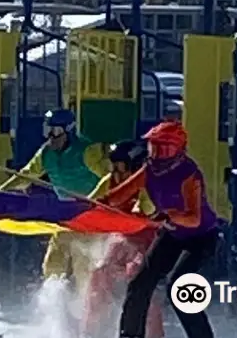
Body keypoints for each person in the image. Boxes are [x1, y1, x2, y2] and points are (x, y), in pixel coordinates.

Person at [99, 120, 219, 338]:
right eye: (154, 147)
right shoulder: (149, 169)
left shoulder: (189, 174)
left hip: (200, 238)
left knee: (179, 286)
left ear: (177, 150)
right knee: (140, 283)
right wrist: (99, 202)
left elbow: (194, 218)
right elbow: (121, 194)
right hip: (172, 233)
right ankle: (130, 335)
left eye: (164, 148)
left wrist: (170, 214)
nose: (157, 154)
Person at [0, 108, 105, 282]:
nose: (51, 137)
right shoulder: (46, 153)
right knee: (53, 264)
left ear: (69, 131)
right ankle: (55, 303)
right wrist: (0, 190)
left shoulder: (87, 151)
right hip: (66, 216)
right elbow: (26, 176)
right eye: (47, 131)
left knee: (84, 267)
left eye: (56, 131)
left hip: (90, 217)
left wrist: (95, 198)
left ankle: (89, 306)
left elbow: (108, 178)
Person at [84, 140, 162, 338]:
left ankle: (154, 334)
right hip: (122, 238)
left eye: (122, 169)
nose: (117, 175)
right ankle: (90, 331)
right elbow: (88, 204)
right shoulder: (110, 181)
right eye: (114, 169)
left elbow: (149, 210)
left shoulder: (149, 184)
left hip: (149, 240)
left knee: (139, 276)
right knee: (100, 273)